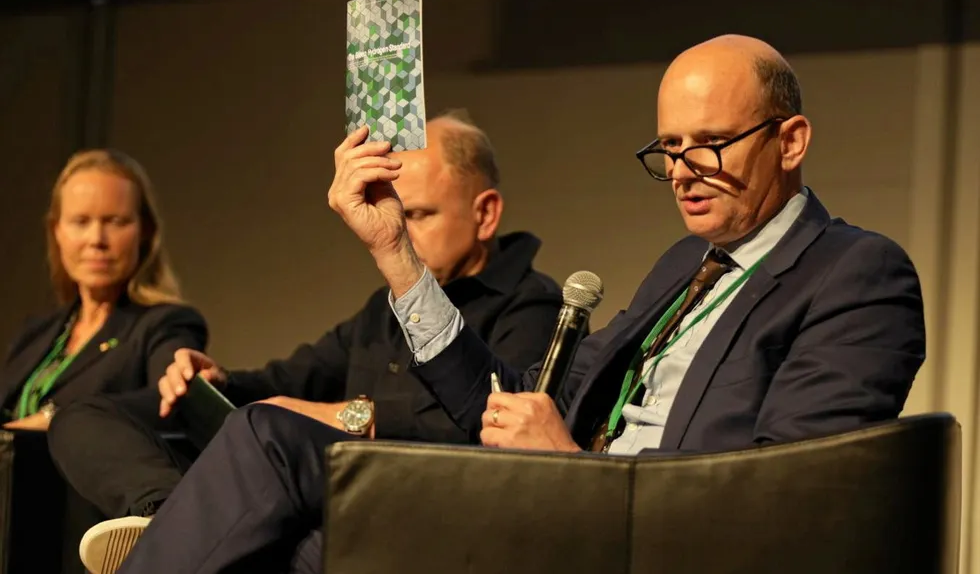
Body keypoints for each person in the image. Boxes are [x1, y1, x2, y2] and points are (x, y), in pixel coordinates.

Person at [105, 35, 925, 574]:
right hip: (541, 509)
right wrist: (395, 251)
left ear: (791, 140)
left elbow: (792, 509)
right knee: (288, 507)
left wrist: (574, 470)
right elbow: (514, 409)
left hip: (614, 539)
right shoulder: (683, 264)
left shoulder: (856, 274)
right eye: (668, 149)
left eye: (709, 144)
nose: (682, 170)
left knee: (272, 485)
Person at [49, 112, 563, 574]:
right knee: (84, 415)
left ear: (486, 213)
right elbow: (289, 379)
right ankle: (167, 513)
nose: (398, 233)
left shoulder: (531, 305)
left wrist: (345, 416)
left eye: (418, 216)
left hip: (420, 513)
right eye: (395, 214)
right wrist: (219, 378)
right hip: (313, 490)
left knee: (267, 441)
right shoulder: (379, 310)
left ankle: (183, 528)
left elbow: (493, 430)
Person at [0, 149, 207, 432]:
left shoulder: (165, 324)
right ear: (57, 230)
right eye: (80, 222)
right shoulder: (35, 333)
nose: (96, 239)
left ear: (145, 230)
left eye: (116, 222)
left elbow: (172, 400)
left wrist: (58, 418)